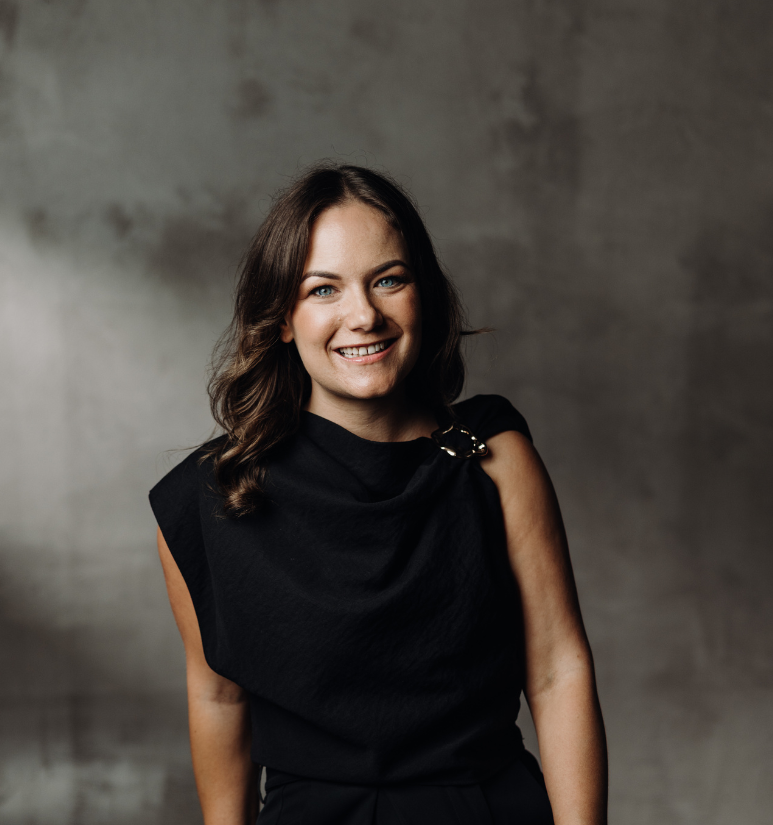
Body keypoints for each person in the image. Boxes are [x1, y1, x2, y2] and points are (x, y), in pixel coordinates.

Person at [149, 164, 608, 825]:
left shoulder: (495, 456)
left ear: (422, 293)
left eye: (388, 279)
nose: (362, 315)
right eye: (322, 289)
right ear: (282, 318)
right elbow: (218, 698)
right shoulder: (208, 496)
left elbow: (557, 669)